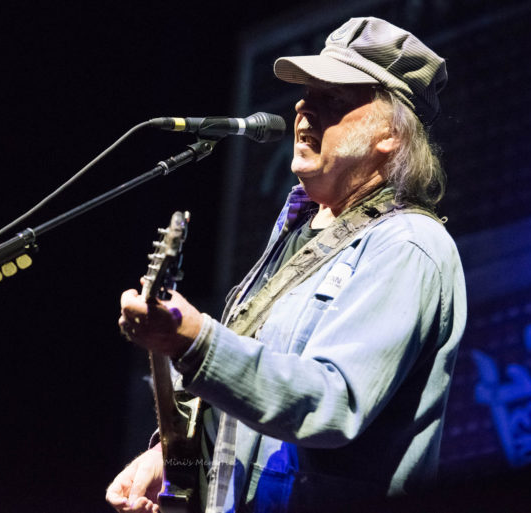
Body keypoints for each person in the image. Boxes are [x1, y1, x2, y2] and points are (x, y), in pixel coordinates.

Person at [107, 16, 467, 513]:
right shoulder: (297, 235)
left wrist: (195, 341)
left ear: (390, 134)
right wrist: (173, 457)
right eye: (305, 94)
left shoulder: (407, 245)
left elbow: (333, 402)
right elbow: (255, 401)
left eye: (332, 99)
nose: (302, 109)